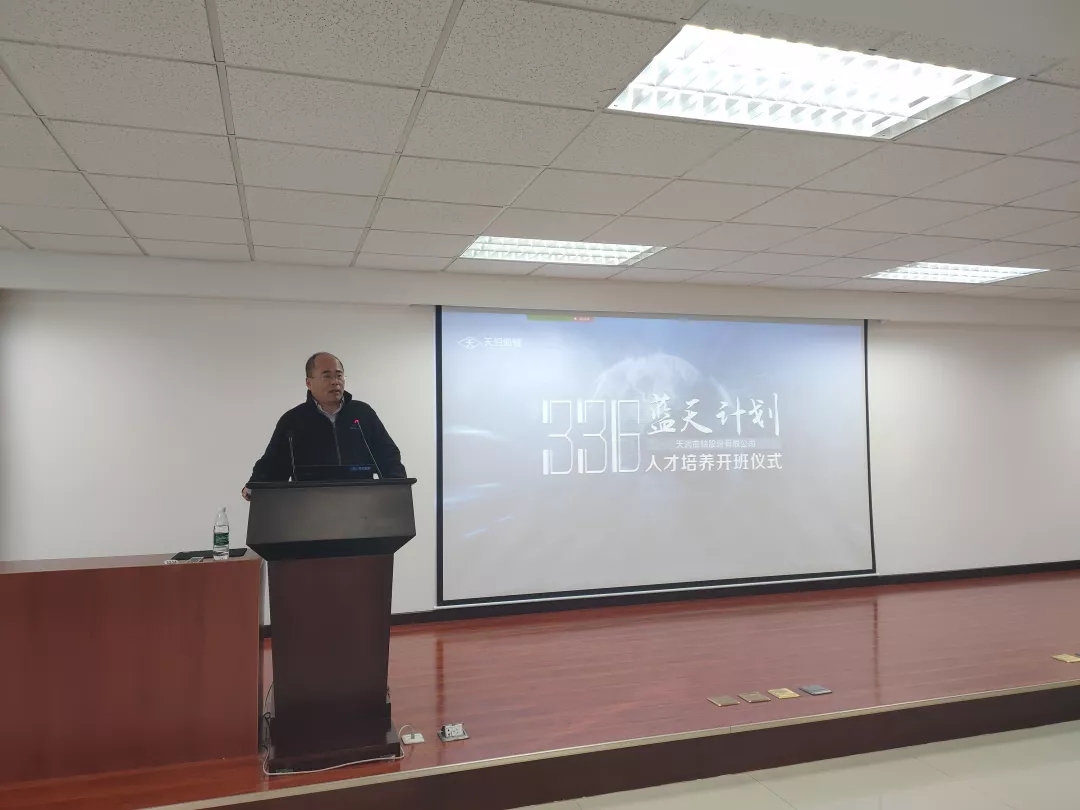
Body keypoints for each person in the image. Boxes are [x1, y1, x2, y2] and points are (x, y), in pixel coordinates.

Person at [242, 352, 406, 499]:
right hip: (308, 506)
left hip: (361, 503)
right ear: (309, 383)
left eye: (339, 375)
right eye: (326, 376)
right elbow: (273, 464)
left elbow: (388, 456)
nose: (335, 382)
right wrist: (254, 487)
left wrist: (398, 488)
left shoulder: (363, 413)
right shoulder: (293, 420)